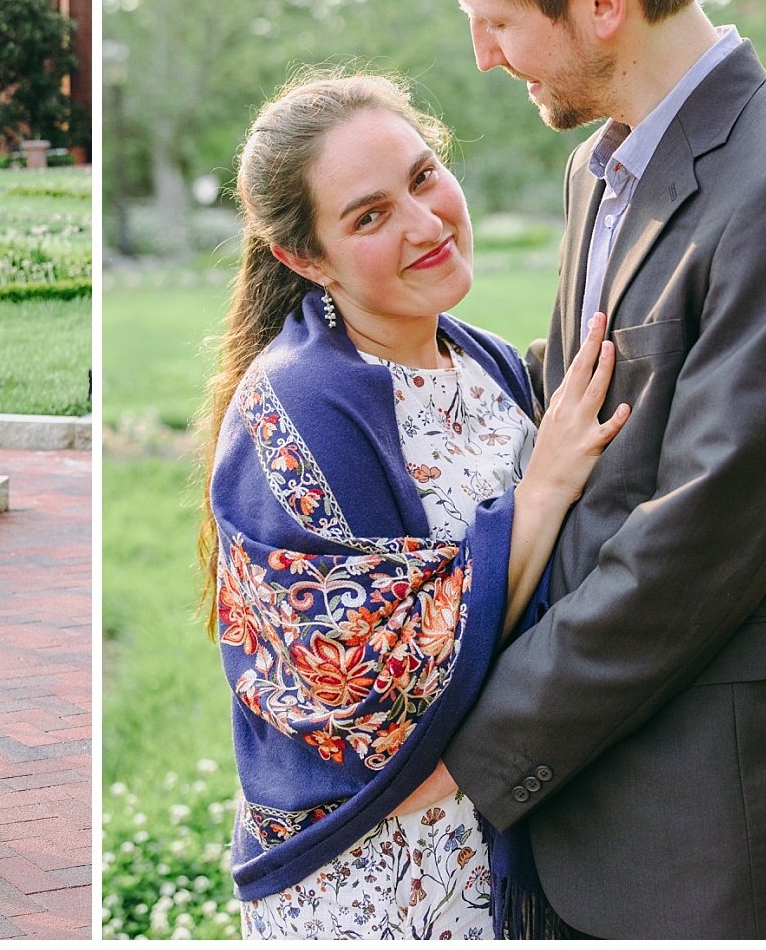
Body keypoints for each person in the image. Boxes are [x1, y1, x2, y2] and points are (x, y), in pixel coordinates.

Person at [414, 0, 766, 938]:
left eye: (495, 22)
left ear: (599, 3)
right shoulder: (601, 166)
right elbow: (575, 387)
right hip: (567, 824)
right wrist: (357, 349)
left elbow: (695, 551)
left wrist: (459, 757)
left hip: (695, 839)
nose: (482, 53)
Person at [206, 71, 630, 938]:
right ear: (303, 257)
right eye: (368, 215)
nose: (425, 222)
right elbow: (366, 683)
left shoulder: (487, 364)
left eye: (424, 175)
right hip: (377, 883)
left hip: (507, 851)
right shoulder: (295, 409)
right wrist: (542, 489)